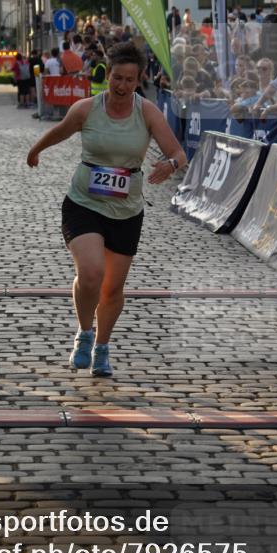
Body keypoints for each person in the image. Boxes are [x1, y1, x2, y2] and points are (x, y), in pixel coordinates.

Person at [26, 41, 187, 377]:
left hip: (127, 210)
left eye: (129, 80)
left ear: (138, 80)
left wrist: (168, 165)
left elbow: (178, 152)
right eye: (116, 78)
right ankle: (84, 333)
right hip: (84, 202)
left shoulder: (147, 112)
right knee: (91, 273)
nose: (121, 86)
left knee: (112, 288)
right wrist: (36, 150)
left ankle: (102, 346)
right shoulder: (88, 108)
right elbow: (61, 130)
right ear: (107, 74)